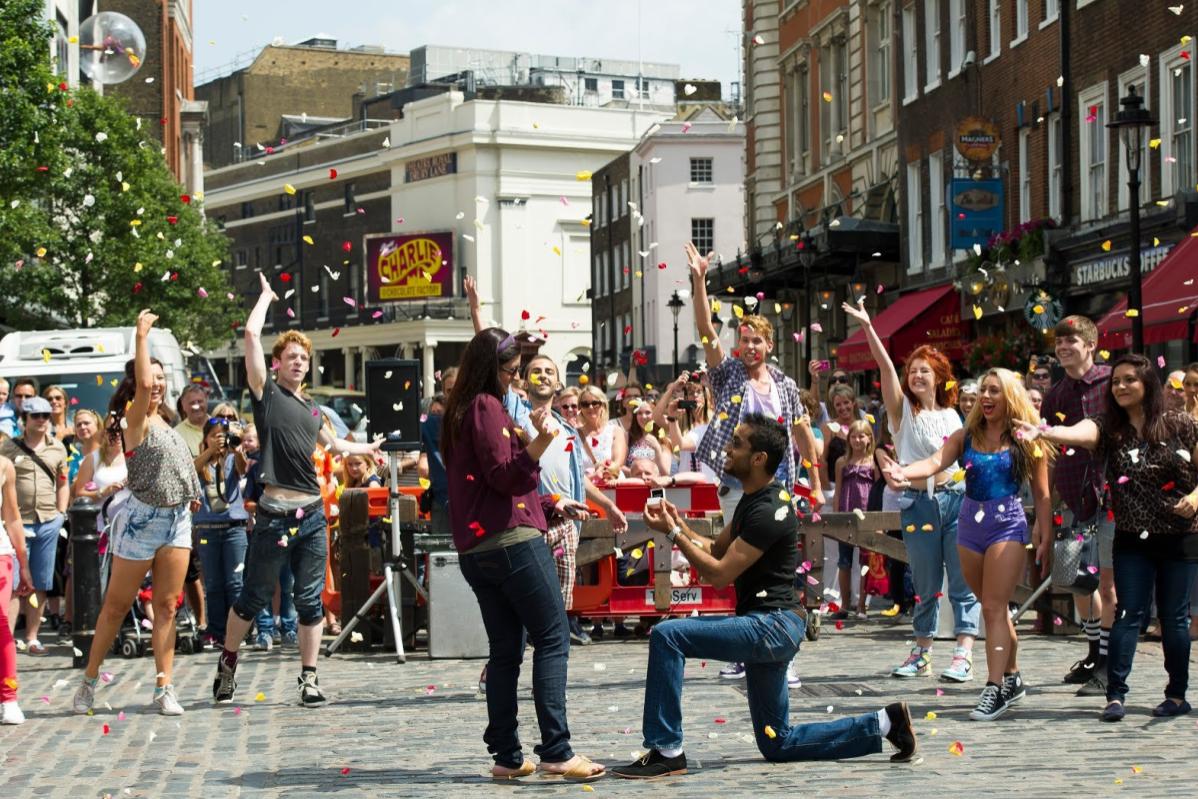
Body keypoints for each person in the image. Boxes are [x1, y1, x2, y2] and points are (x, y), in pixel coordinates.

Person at [610, 414, 917, 779]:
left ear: (758, 458)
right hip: (771, 625)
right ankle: (885, 723)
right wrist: (680, 523)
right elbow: (715, 548)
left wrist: (674, 533)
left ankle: (666, 749)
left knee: (667, 635)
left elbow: (720, 575)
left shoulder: (771, 509)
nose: (727, 449)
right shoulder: (752, 500)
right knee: (777, 742)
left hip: (772, 625)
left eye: (737, 443)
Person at [443, 327, 605, 782]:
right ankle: (556, 748)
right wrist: (540, 442)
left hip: (479, 550)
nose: (515, 380)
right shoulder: (485, 406)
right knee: (552, 638)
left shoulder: (459, 411)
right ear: (488, 370)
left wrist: (552, 504)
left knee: (506, 651)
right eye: (511, 372)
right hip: (512, 544)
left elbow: (486, 486)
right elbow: (504, 477)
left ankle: (507, 756)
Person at [213, 273, 381, 708]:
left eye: (304, 358)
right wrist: (267, 296)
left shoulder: (313, 408)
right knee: (251, 599)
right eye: (291, 357)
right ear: (276, 363)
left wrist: (371, 447)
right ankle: (228, 661)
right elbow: (251, 332)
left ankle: (309, 678)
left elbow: (337, 445)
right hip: (273, 515)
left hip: (311, 515)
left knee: (309, 600)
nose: (299, 363)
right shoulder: (265, 394)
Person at [1018, 354, 1198, 722]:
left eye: (1129, 380)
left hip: (1180, 537)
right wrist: (1048, 431)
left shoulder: (1180, 423)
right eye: (1115, 381)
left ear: (1147, 383)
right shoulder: (1110, 428)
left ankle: (1176, 695)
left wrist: (1195, 498)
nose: (1120, 387)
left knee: (1174, 619)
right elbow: (1080, 432)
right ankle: (1115, 694)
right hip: (1132, 538)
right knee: (1128, 614)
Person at [886, 369, 1052, 721]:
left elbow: (1042, 492)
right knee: (995, 609)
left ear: (1010, 397)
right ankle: (1012, 675)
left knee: (992, 608)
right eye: (983, 391)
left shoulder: (1026, 437)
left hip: (1007, 524)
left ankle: (993, 690)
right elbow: (935, 462)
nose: (987, 398)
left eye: (995, 391)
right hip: (969, 526)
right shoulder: (966, 436)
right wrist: (904, 473)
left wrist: (1045, 534)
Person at [71, 310, 202, 717]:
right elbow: (143, 382)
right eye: (153, 377)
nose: (158, 383)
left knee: (167, 606)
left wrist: (192, 491)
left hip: (177, 520)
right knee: (115, 605)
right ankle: (88, 683)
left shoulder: (167, 421)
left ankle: (164, 687)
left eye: (164, 378)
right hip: (142, 520)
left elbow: (178, 466)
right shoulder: (135, 418)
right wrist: (141, 335)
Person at [842, 299, 980, 683]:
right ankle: (922, 652)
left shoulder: (953, 415)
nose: (917, 376)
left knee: (962, 579)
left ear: (938, 376)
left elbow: (956, 461)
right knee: (924, 582)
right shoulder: (903, 412)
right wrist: (869, 328)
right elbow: (885, 369)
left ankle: (964, 653)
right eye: (912, 371)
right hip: (919, 504)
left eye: (924, 371)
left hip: (956, 501)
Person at [1038, 315, 1115, 695]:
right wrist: (1045, 506)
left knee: (1107, 581)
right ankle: (1092, 654)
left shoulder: (1113, 382)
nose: (1064, 347)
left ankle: (1106, 663)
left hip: (1113, 497)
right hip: (1073, 499)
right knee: (1076, 580)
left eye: (1071, 340)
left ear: (1090, 346)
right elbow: (1048, 455)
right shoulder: (1055, 395)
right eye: (1059, 342)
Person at [0, 396, 69, 656]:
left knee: (40, 581)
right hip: (16, 523)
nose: (42, 420)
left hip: (48, 520)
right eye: (36, 416)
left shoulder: (58, 448)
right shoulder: (8, 448)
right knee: (16, 582)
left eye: (46, 415)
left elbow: (63, 482)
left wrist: (61, 513)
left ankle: (31, 637)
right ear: (24, 420)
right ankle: (6, 637)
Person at [193, 417, 250, 649]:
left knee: (235, 583)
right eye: (214, 434)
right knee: (214, 584)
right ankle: (215, 632)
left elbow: (243, 469)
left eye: (222, 435)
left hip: (233, 529)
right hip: (207, 528)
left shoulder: (231, 459)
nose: (220, 439)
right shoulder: (202, 460)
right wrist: (211, 450)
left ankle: (238, 633)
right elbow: (192, 468)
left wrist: (236, 450)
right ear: (205, 437)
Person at [832, 420, 879, 620]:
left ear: (869, 438)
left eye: (862, 436)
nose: (857, 440)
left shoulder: (873, 462)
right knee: (844, 561)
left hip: (867, 515)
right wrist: (835, 516)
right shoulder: (842, 462)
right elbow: (838, 490)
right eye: (853, 436)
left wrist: (878, 520)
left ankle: (862, 605)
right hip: (846, 515)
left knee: (865, 561)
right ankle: (845, 603)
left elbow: (877, 492)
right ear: (848, 439)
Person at [0, 453, 34, 724]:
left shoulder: (4, 465)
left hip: (0, 554)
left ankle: (8, 698)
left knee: (1, 624)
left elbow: (12, 516)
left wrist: (23, 563)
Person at [651, 370, 717, 479]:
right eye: (691, 393)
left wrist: (711, 382)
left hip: (710, 480)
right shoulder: (680, 419)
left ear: (706, 395)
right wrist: (672, 389)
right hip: (685, 480)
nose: (695, 395)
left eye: (699, 391)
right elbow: (656, 418)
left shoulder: (715, 419)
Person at [576, 385, 627, 480]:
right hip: (587, 489)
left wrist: (604, 470)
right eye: (585, 404)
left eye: (595, 403)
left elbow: (617, 463)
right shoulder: (574, 434)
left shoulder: (615, 431)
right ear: (580, 408)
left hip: (612, 484)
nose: (590, 407)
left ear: (603, 405)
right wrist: (593, 476)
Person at [625, 399, 671, 476]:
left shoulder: (663, 440)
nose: (643, 416)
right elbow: (620, 466)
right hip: (634, 484)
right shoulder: (628, 437)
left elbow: (665, 473)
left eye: (648, 413)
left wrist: (657, 448)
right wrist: (637, 473)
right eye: (639, 413)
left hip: (655, 485)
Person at [174, 385, 210, 457]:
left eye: (200, 401)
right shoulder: (176, 434)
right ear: (183, 406)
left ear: (206, 401)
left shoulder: (218, 427)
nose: (197, 406)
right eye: (192, 403)